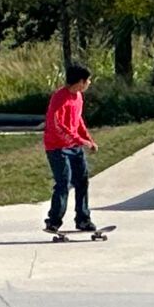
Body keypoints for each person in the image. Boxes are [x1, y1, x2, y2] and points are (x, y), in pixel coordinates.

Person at [43, 61, 99, 234]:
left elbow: (78, 120)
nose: (89, 83)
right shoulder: (59, 97)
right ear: (80, 81)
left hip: (75, 147)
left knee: (82, 181)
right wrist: (79, 140)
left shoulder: (78, 97)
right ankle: (53, 221)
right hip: (57, 148)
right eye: (88, 80)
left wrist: (88, 139)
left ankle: (83, 219)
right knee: (63, 182)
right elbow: (57, 124)